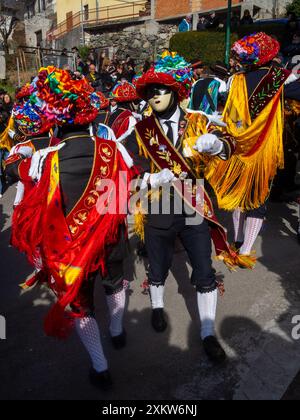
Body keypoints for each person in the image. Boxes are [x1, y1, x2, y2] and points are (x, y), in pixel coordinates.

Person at [6, 67, 135, 390]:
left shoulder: (44, 161)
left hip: (70, 250)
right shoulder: (115, 150)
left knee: (82, 306)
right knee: (116, 285)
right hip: (111, 239)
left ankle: (100, 366)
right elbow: (125, 194)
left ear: (53, 121)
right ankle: (118, 331)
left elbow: (29, 203)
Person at [126, 51, 250, 365]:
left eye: (161, 89)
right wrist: (152, 177)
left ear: (177, 92)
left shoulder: (198, 120)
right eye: (150, 91)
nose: (154, 96)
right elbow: (126, 176)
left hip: (195, 204)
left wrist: (219, 146)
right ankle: (156, 307)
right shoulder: (140, 132)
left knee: (204, 270)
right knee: (157, 265)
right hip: (158, 207)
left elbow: (233, 144)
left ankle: (208, 332)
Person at [203, 33, 300, 258]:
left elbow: (228, 110)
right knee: (257, 196)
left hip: (237, 145)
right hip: (262, 148)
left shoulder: (236, 80)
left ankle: (236, 240)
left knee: (240, 194)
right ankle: (245, 249)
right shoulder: (278, 77)